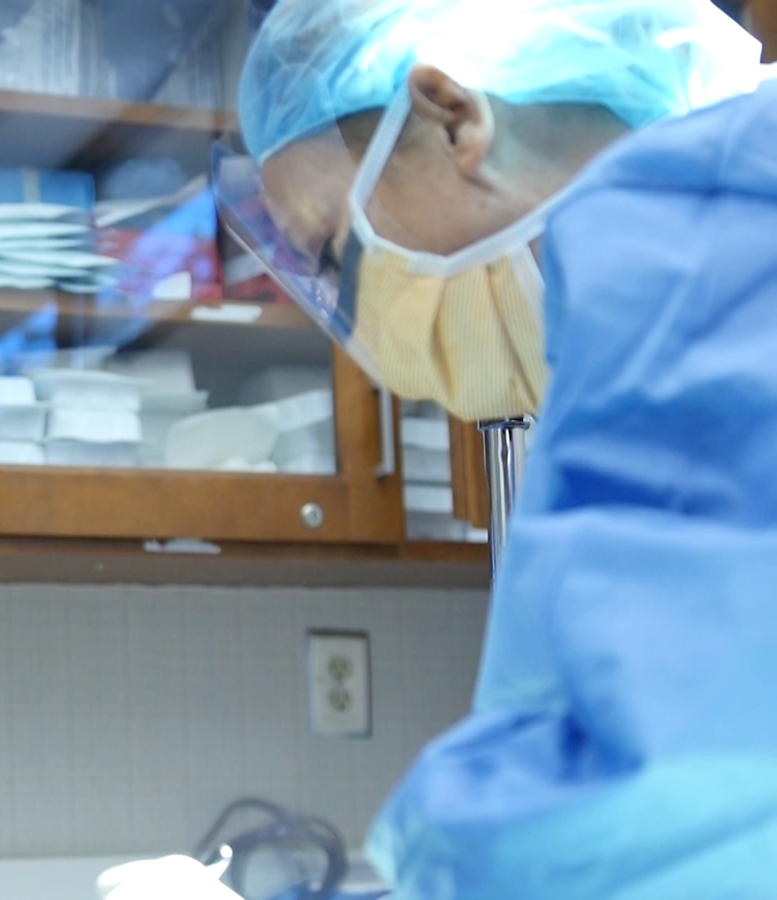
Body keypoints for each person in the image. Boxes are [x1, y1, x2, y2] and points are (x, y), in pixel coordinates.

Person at [223, 0, 777, 896]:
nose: (355, 312)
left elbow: (677, 804)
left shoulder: (713, 252)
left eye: (332, 247)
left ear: (452, 115)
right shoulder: (653, 279)